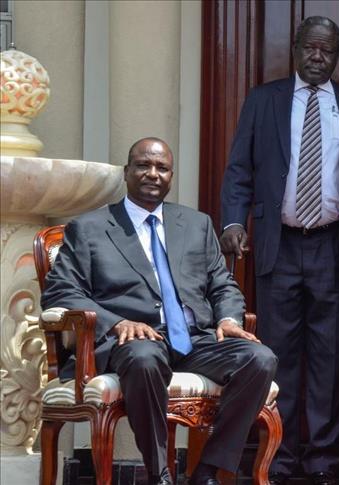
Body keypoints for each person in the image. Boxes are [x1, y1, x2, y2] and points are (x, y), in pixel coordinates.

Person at [219, 15, 339, 485]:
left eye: (327, 50)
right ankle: (278, 457)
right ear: (295, 49)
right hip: (278, 244)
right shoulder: (263, 101)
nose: (318, 57)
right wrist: (233, 222)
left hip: (334, 246)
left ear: (337, 56)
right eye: (310, 48)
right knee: (278, 355)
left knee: (329, 359)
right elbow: (239, 169)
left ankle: (321, 459)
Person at [41, 138, 277, 485]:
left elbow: (222, 284)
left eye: (162, 168)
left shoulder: (196, 224)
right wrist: (117, 322)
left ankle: (207, 471)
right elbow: (61, 291)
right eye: (143, 165)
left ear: (171, 176)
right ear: (127, 172)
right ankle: (159, 474)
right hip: (136, 341)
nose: (153, 174)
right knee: (144, 358)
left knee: (260, 359)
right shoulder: (90, 228)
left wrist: (228, 319)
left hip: (195, 339)